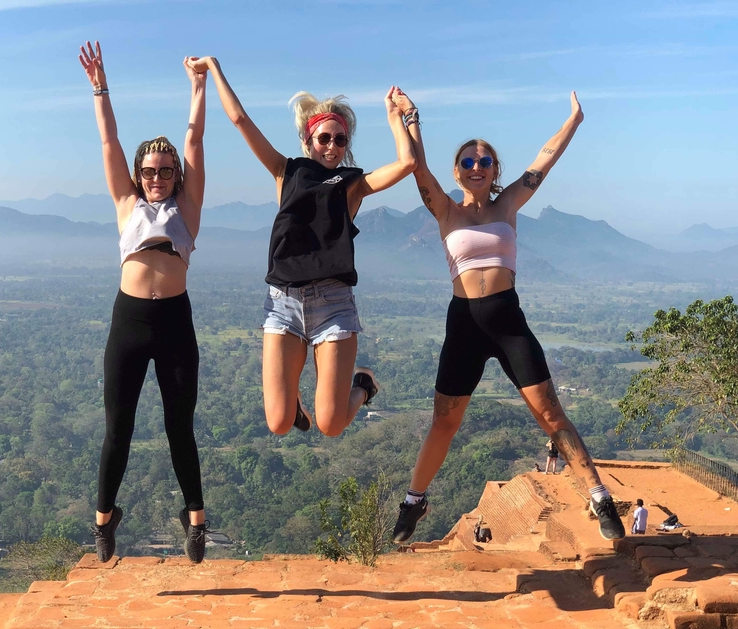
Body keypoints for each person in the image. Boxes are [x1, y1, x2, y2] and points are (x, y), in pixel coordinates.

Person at [389, 89, 626, 543]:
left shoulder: (508, 204)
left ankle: (599, 497)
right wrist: (406, 117)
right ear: (457, 171)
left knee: (550, 412)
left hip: (507, 320)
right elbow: (417, 167)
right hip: (463, 323)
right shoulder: (444, 209)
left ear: (495, 171)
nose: (476, 167)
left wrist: (574, 120)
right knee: (445, 419)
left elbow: (545, 158)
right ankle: (414, 502)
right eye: (467, 162)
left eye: (485, 162)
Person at [189, 57, 417, 437]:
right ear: (308, 140)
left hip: (334, 304)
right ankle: (292, 398)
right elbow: (241, 121)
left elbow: (407, 163)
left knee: (329, 425)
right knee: (278, 424)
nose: (332, 146)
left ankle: (364, 385)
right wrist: (213, 69)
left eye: (340, 139)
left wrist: (400, 117)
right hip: (284, 302)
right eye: (324, 138)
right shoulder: (287, 171)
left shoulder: (352, 184)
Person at [78, 41, 209, 563]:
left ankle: (195, 518)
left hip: (175, 321)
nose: (157, 178)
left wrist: (198, 88)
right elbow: (108, 140)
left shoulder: (188, 206)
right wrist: (100, 88)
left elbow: (195, 138)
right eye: (149, 171)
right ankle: (105, 519)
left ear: (177, 176)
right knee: (120, 428)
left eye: (166, 171)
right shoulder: (126, 203)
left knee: (181, 425)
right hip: (129, 321)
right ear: (138, 175)